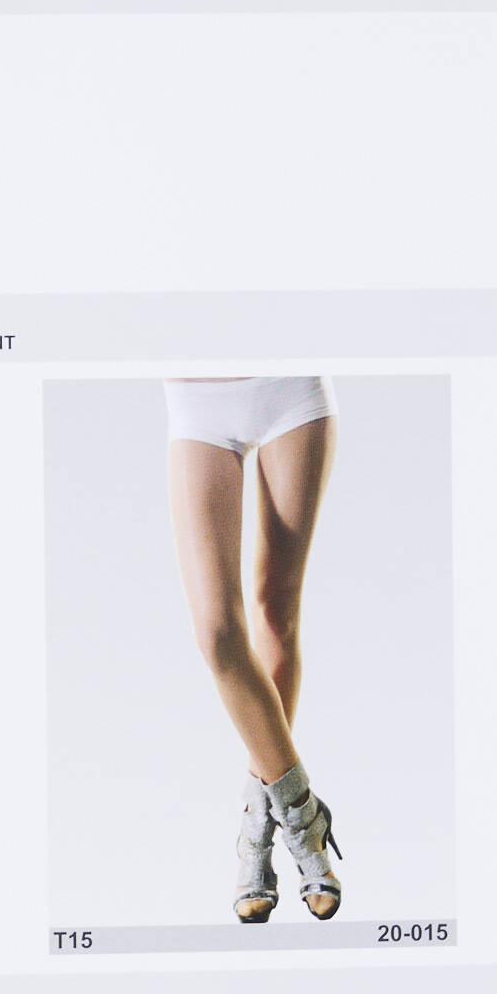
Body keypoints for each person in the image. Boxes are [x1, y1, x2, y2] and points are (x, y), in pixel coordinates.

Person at [164, 376, 343, 922]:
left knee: (275, 612)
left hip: (289, 388)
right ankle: (302, 817)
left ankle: (257, 837)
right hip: (197, 402)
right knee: (217, 634)